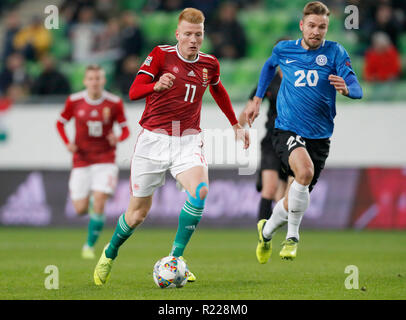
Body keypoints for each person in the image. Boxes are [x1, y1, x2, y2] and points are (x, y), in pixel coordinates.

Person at [93, 7, 249, 286]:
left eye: (198, 35)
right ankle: (110, 251)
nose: (193, 40)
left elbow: (218, 89)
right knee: (137, 214)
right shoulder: (161, 55)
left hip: (188, 138)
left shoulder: (210, 64)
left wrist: (235, 123)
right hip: (153, 140)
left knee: (200, 192)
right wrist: (154, 86)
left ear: (203, 35)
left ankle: (175, 258)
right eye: (188, 34)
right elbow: (132, 91)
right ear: (178, 34)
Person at [245, 1, 362, 263]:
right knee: (305, 172)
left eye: (322, 27)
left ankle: (265, 232)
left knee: (294, 195)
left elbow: (357, 87)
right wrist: (257, 98)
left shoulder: (335, 52)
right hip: (286, 129)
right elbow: (268, 67)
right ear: (302, 25)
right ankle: (293, 237)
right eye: (311, 25)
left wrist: (347, 89)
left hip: (320, 137)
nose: (316, 31)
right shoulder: (285, 49)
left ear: (326, 28)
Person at [56, 64, 130, 259]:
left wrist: (118, 138)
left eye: (98, 79)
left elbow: (126, 130)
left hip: (106, 160)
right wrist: (67, 143)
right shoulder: (74, 101)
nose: (95, 82)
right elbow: (60, 122)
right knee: (80, 209)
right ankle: (89, 201)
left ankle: (89, 246)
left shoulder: (114, 103)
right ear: (85, 81)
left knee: (99, 202)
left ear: (103, 81)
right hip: (81, 160)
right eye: (91, 79)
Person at [238, 42, 288, 222]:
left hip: (292, 141)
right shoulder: (269, 81)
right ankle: (262, 235)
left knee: (284, 196)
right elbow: (251, 105)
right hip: (271, 140)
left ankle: (279, 231)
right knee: (270, 188)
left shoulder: (299, 80)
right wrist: (238, 127)